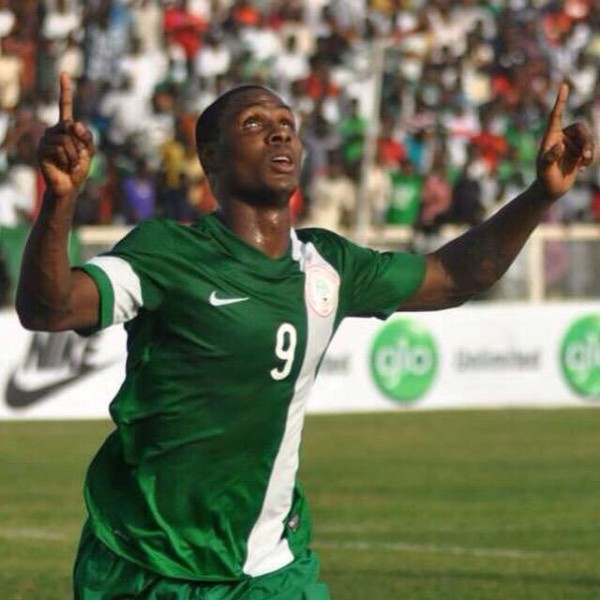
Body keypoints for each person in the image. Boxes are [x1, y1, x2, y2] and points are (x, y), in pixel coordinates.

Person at [16, 72, 594, 599]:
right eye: (255, 124)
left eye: (287, 125)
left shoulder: (329, 266)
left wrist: (540, 195)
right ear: (210, 156)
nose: (279, 135)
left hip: (269, 567)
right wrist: (61, 200)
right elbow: (50, 308)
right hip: (142, 561)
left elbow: (457, 276)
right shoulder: (168, 252)